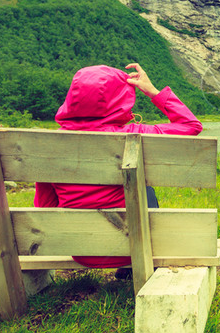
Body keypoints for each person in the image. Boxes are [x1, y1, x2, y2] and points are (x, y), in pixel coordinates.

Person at [33, 62, 203, 268]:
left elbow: (44, 207)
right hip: (135, 247)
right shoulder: (134, 135)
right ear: (120, 98)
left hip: (80, 250)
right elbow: (190, 125)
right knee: (143, 185)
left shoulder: (46, 145)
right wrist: (153, 92)